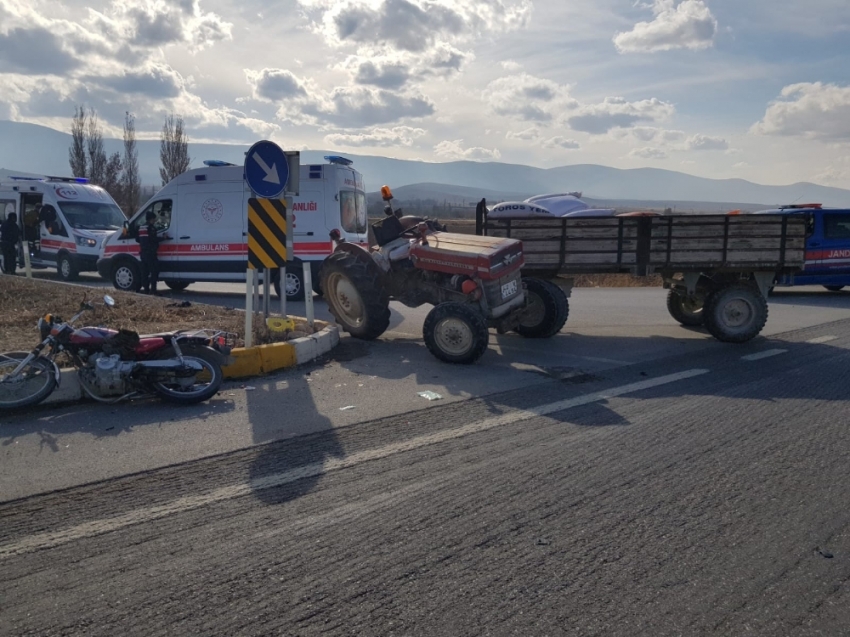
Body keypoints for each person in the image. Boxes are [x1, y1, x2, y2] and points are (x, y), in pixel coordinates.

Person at [135, 211, 169, 294]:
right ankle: (153, 290)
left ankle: (146, 289)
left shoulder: (141, 227)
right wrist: (163, 238)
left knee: (145, 272)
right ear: (151, 219)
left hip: (143, 253)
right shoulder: (151, 228)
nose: (154, 221)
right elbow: (153, 239)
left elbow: (137, 239)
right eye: (154, 219)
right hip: (150, 253)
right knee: (154, 271)